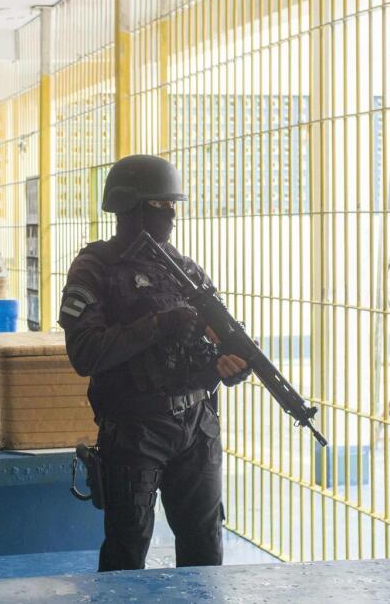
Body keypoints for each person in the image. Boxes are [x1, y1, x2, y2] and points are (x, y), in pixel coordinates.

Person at [58, 154, 250, 572]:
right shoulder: (96, 268)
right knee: (128, 547)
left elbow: (213, 348)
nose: (173, 214)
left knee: (204, 544)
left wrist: (226, 365)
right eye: (163, 205)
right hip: (134, 430)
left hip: (196, 426)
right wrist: (162, 323)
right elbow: (85, 353)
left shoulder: (186, 271)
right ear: (132, 207)